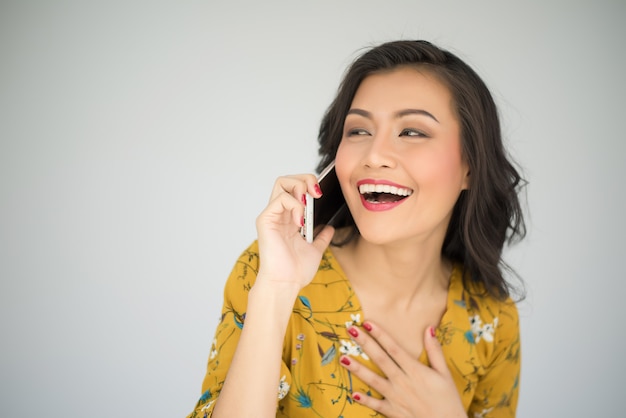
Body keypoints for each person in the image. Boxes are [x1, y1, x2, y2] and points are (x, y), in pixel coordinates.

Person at [187, 40, 526, 418]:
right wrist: (276, 291)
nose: (375, 155)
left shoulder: (493, 318)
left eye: (412, 132)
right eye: (359, 131)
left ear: (470, 167)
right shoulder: (267, 272)